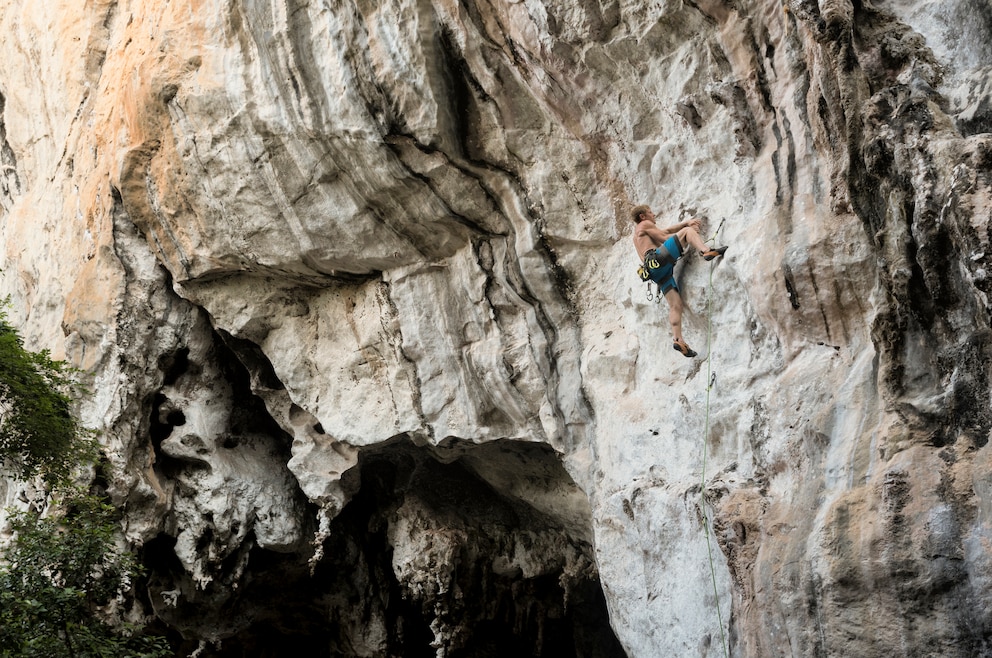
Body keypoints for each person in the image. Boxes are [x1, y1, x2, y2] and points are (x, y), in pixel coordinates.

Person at [631, 205, 727, 358]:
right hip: (657, 259)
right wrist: (689, 231)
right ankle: (705, 250)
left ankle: (678, 339)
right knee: (687, 233)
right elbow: (665, 237)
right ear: (642, 216)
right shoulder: (644, 224)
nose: (653, 214)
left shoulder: (638, 236)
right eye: (650, 212)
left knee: (675, 305)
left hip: (654, 272)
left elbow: (666, 231)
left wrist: (684, 223)